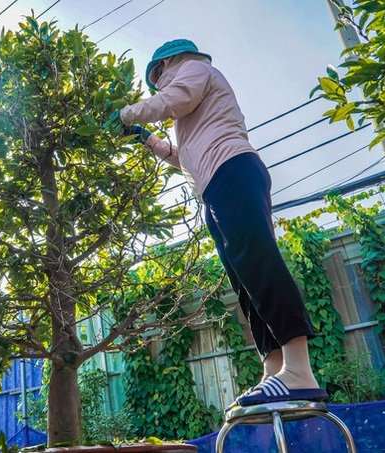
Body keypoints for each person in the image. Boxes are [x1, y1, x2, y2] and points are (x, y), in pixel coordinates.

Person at [117, 39, 327, 408]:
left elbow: (173, 99)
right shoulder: (192, 105)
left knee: (258, 260)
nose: (158, 85)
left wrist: (127, 114)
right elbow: (183, 155)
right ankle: (275, 366)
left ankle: (299, 370)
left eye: (157, 76)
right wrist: (147, 139)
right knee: (243, 275)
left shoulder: (194, 70)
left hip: (232, 168)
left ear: (168, 63)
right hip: (215, 183)